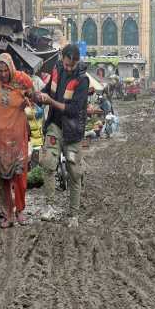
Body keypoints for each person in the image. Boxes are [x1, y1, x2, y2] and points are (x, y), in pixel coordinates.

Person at [38, 44, 89, 228]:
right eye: (66, 64)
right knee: (48, 163)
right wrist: (38, 95)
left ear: (77, 62)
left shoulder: (83, 80)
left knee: (74, 173)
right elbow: (47, 90)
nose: (68, 68)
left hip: (73, 132)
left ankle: (73, 214)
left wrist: (51, 101)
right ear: (62, 58)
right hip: (54, 126)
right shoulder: (57, 68)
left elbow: (74, 110)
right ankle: (49, 206)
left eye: (72, 66)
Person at [0, 53, 34, 228]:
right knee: (1, 179)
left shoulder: (23, 80)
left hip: (18, 137)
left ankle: (20, 210)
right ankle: (7, 214)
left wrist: (29, 101)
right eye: (1, 70)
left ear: (11, 68)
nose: (3, 73)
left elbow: (34, 97)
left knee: (20, 177)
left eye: (6, 70)